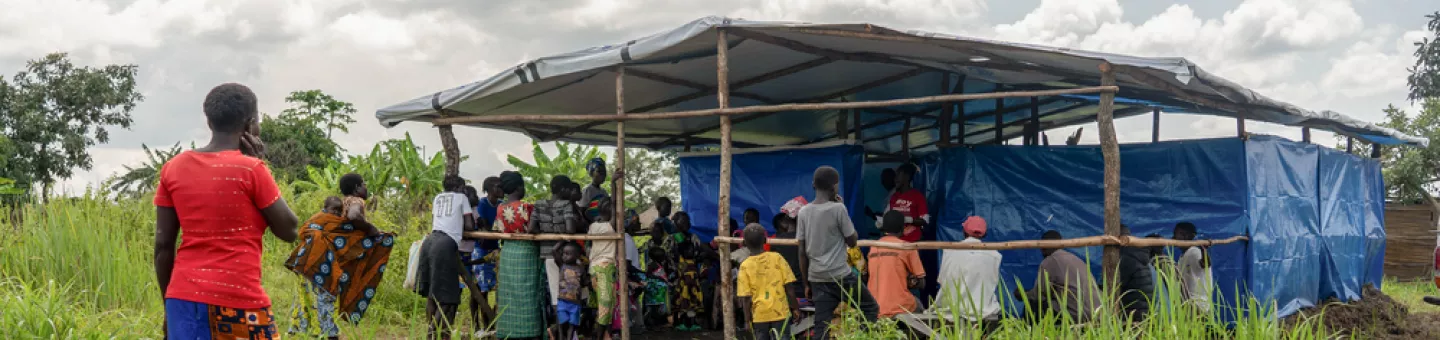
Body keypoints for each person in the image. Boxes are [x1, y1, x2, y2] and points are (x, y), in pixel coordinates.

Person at [155, 83, 300, 339]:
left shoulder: (173, 168)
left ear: (209, 122)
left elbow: (163, 245)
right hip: (238, 300)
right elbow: (289, 230)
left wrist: (169, 305)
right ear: (250, 124)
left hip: (182, 299)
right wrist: (261, 163)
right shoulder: (251, 169)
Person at [285, 173, 392, 339]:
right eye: (364, 184)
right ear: (356, 188)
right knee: (326, 293)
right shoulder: (356, 202)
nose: (366, 187)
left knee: (317, 294)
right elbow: (354, 217)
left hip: (316, 254)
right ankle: (329, 334)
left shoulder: (342, 203)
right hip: (322, 255)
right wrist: (371, 229)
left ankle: (316, 330)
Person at [797, 166, 879, 340]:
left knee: (822, 324)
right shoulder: (838, 209)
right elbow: (852, 241)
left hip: (817, 277)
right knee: (870, 307)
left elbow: (802, 252)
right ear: (834, 187)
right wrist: (842, 207)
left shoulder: (803, 212)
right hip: (841, 275)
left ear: (813, 185)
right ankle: (863, 337)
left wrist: (806, 284)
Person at [417, 175, 484, 340]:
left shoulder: (438, 197)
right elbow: (468, 225)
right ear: (460, 187)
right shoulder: (462, 198)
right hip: (446, 244)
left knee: (433, 292)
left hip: (430, 241)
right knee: (449, 296)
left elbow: (436, 221)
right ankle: (432, 334)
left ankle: (436, 332)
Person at [494, 171, 546, 339]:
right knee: (529, 293)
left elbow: (498, 229)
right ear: (519, 187)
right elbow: (534, 229)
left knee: (509, 295)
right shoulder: (526, 207)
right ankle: (529, 331)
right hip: (527, 252)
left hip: (508, 252)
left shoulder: (500, 208)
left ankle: (508, 331)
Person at [1018, 230, 1102, 322]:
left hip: (1077, 314)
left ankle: (1029, 334)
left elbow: (1039, 295)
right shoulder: (1075, 259)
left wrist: (1022, 294)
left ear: (1042, 247)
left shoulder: (1050, 260)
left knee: (1032, 304)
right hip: (1097, 313)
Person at [932, 216, 1002, 324]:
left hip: (951, 308)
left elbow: (942, 280)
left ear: (964, 231)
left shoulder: (950, 251)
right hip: (981, 309)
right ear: (984, 233)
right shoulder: (995, 255)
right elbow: (992, 283)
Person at [737, 224, 800, 340]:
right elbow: (789, 288)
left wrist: (747, 321)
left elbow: (745, 298)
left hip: (759, 316)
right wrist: (795, 308)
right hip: (781, 313)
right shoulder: (777, 258)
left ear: (744, 244)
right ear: (765, 240)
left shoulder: (744, 266)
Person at [868, 211, 927, 318]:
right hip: (899, 305)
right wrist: (908, 279)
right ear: (903, 227)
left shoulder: (873, 247)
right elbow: (921, 283)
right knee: (919, 306)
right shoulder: (907, 247)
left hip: (875, 306)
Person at [535, 176, 583, 307]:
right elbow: (570, 229)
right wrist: (560, 240)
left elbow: (532, 228)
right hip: (566, 254)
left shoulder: (539, 205)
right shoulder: (566, 205)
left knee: (556, 295)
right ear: (562, 190)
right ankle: (569, 326)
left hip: (547, 254)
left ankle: (559, 326)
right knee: (571, 294)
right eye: (568, 189)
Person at [664, 211, 714, 331]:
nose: (687, 223)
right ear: (675, 223)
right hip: (676, 274)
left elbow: (703, 250)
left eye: (687, 221)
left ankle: (690, 322)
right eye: (683, 221)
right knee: (678, 298)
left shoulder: (693, 237)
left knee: (691, 297)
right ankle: (677, 321)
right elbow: (668, 258)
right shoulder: (670, 239)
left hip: (691, 274)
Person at [467, 177, 502, 337]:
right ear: (489, 188)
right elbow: (484, 226)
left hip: (494, 249)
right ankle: (478, 325)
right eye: (497, 186)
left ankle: (488, 324)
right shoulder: (482, 204)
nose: (500, 188)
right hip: (480, 250)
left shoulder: (501, 205)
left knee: (491, 287)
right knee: (480, 290)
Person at [587, 198, 621, 340]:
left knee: (603, 306)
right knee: (606, 306)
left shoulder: (593, 226)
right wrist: (613, 183)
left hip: (594, 268)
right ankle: (599, 336)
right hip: (605, 268)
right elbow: (614, 214)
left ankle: (606, 335)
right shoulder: (611, 225)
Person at [1117, 225, 1155, 321]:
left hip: (1133, 310)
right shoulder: (1137, 253)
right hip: (1144, 308)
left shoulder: (1125, 257)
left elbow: (1114, 286)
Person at [1174, 222, 1213, 314]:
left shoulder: (1194, 252)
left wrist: (1204, 250)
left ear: (1185, 236)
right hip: (1191, 304)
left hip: (1198, 304)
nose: (1174, 237)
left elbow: (1205, 264)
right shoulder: (1183, 256)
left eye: (1177, 234)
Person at [640, 222, 673, 329]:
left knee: (659, 305)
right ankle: (652, 322)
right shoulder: (648, 245)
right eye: (654, 231)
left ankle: (659, 321)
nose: (656, 234)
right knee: (653, 305)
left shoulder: (668, 242)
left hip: (660, 287)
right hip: (654, 288)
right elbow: (649, 274)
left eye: (658, 231)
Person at [553, 242, 588, 340]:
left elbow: (585, 283)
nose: (564, 256)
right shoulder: (562, 265)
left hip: (575, 303)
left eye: (567, 254)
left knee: (572, 326)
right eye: (563, 253)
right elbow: (554, 250)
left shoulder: (580, 269)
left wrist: (583, 271)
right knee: (562, 322)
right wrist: (563, 240)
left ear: (577, 256)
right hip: (562, 301)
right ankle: (560, 337)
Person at [886, 164, 928, 243]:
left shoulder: (917, 196)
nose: (895, 179)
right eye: (895, 176)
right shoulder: (894, 197)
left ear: (907, 177)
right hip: (896, 242)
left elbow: (924, 221)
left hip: (913, 242)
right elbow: (890, 217)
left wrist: (909, 219)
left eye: (898, 175)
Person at [583, 158, 610, 222]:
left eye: (604, 172)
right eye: (599, 171)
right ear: (591, 173)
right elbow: (582, 211)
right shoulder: (587, 191)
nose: (603, 174)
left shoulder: (604, 192)